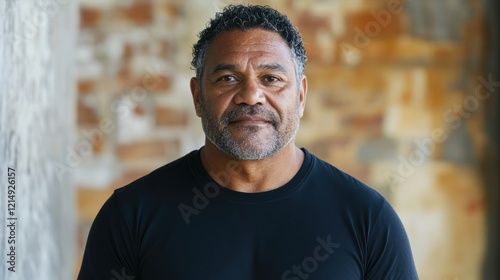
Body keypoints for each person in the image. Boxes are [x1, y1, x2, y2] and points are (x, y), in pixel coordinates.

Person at [78, 5, 419, 280]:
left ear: (300, 97)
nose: (251, 95)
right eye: (228, 78)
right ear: (198, 97)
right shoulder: (132, 217)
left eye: (271, 79)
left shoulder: (367, 219)